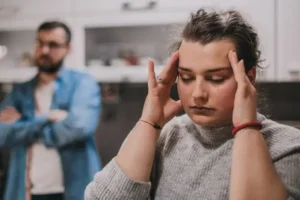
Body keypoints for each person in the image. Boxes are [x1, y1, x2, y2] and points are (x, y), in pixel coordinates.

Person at [85, 8, 300, 200]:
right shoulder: (169, 135)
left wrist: (246, 127)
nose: (197, 94)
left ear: (249, 78)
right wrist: (149, 122)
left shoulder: (287, 147)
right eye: (186, 78)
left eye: (216, 78)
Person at [0, 21, 102, 200]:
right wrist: (47, 118)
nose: (44, 50)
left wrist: (23, 123)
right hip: (27, 191)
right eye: (40, 43)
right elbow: (2, 134)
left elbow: (78, 127)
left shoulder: (83, 83)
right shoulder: (20, 91)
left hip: (74, 191)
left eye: (53, 45)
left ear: (67, 48)